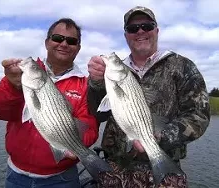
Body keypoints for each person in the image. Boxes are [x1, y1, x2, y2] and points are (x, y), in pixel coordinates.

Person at [87, 6, 210, 188]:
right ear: (126, 35)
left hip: (165, 175)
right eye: (133, 28)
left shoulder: (182, 66)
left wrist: (160, 137)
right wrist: (96, 84)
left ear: (157, 30)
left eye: (147, 26)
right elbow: (98, 114)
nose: (140, 31)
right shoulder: (114, 72)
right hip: (115, 171)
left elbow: (199, 115)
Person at [0, 18, 99, 188]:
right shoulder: (21, 76)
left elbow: (90, 127)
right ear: (47, 42)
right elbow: (0, 111)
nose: (64, 44)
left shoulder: (85, 85)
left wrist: (74, 144)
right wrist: (12, 86)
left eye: (71, 41)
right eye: (57, 38)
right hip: (16, 176)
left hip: (62, 179)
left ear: (78, 48)